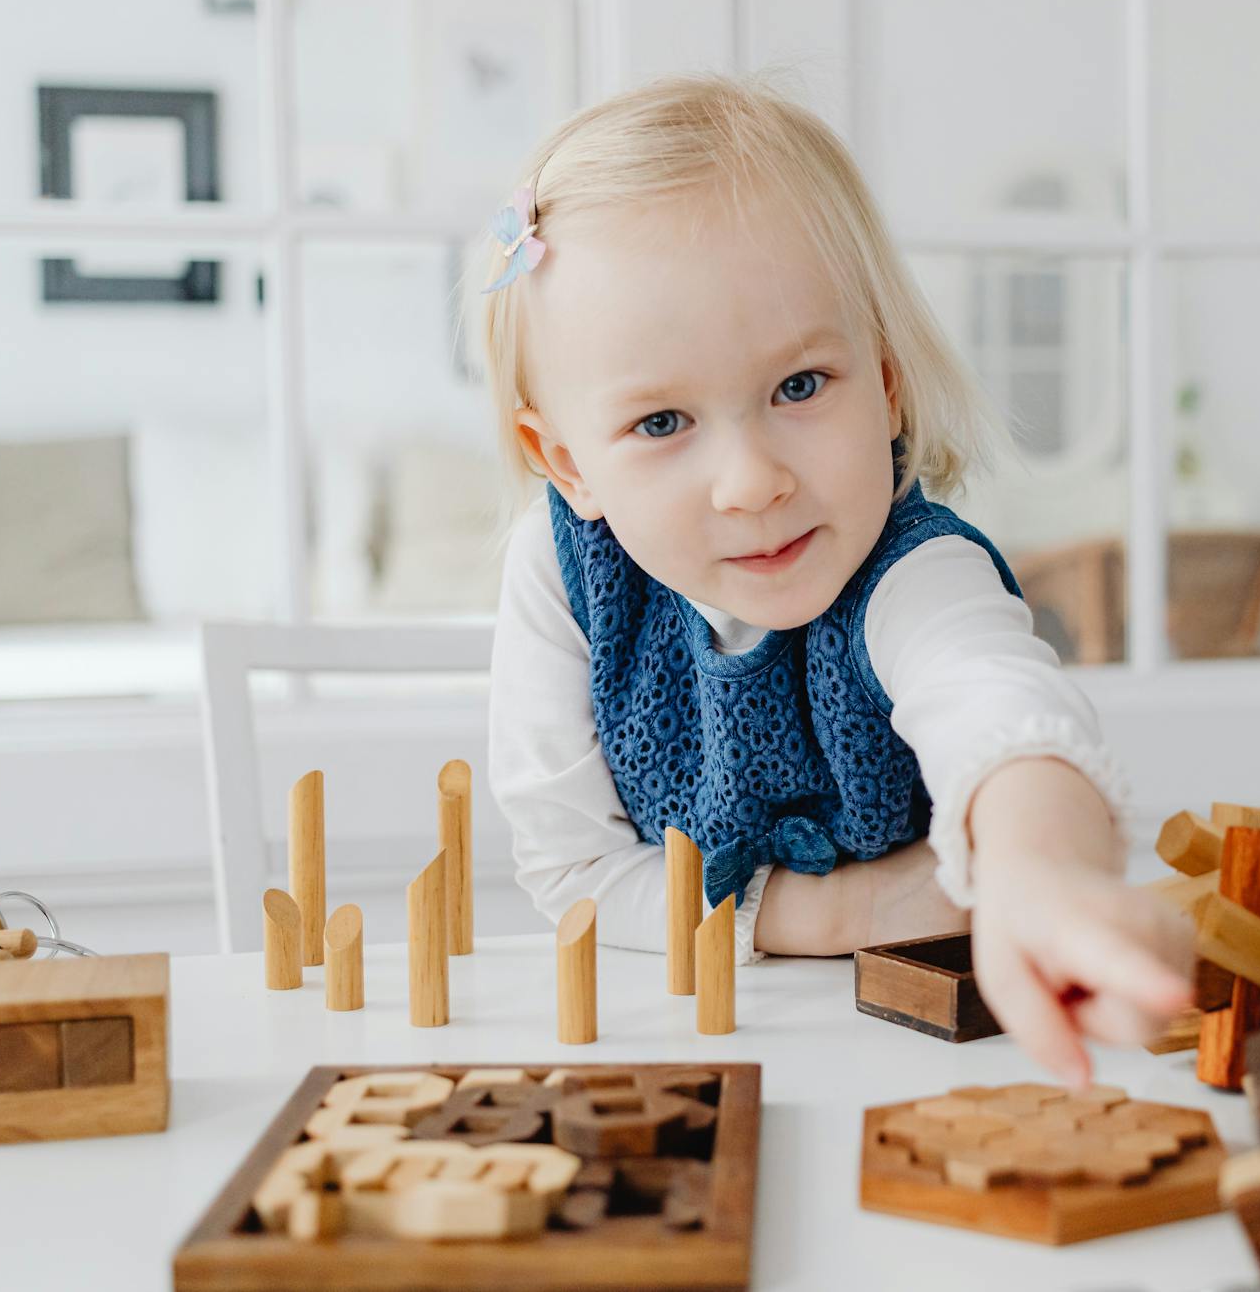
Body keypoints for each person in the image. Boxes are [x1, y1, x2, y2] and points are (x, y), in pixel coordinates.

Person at [476, 72, 1191, 1085]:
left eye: (798, 386)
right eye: (661, 423)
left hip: (932, 1053)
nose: (752, 480)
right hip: (700, 1044)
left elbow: (1002, 713)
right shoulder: (559, 573)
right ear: (567, 466)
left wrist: (1041, 875)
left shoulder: (912, 569)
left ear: (887, 387)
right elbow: (574, 874)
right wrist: (843, 912)